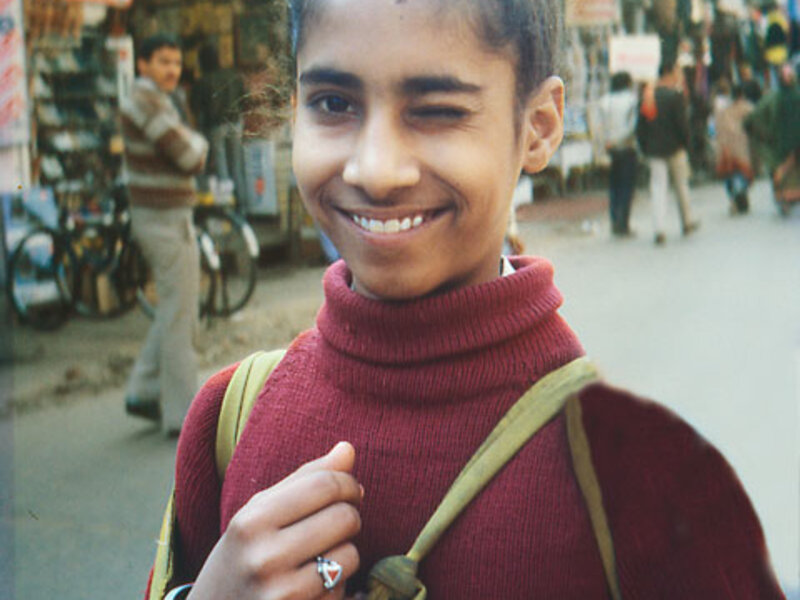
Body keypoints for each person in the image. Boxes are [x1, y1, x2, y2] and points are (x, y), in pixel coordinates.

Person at [149, 2, 785, 599]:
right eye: (333, 102)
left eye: (437, 110)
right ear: (295, 109)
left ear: (538, 128)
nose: (374, 169)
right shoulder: (228, 420)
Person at [120, 34, 208, 436]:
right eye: (163, 62)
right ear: (143, 65)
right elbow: (189, 155)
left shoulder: (153, 99)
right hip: (164, 220)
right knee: (179, 316)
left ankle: (142, 390)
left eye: (176, 62)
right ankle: (183, 416)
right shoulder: (146, 101)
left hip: (165, 217)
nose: (172, 70)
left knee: (175, 307)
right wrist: (199, 143)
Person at [636, 62, 701, 245]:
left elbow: (640, 128)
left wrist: (646, 147)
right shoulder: (675, 96)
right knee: (682, 186)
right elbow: (682, 125)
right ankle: (687, 222)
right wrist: (686, 144)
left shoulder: (648, 97)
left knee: (658, 188)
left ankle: (659, 229)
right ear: (670, 72)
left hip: (655, 151)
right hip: (675, 149)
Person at [190, 43, 248, 207]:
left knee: (222, 167)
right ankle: (242, 207)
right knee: (236, 164)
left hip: (216, 126)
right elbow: (245, 98)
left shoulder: (203, 81)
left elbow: (195, 107)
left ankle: (227, 205)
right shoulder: (233, 75)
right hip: (236, 123)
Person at [597, 71, 638, 237]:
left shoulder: (604, 101)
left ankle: (614, 220)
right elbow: (632, 126)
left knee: (614, 186)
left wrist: (607, 142)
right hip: (627, 148)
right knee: (627, 186)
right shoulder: (631, 100)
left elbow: (600, 127)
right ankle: (624, 223)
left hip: (610, 148)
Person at [714, 85, 756, 214]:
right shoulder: (747, 107)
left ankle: (734, 200)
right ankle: (740, 196)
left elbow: (718, 129)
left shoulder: (723, 110)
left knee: (730, 175)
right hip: (741, 147)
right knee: (742, 174)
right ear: (742, 95)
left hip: (725, 148)